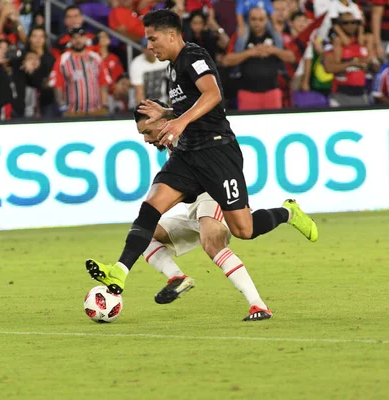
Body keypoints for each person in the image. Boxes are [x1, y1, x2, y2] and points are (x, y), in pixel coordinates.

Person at [84, 9, 318, 296]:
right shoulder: (172, 66)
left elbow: (213, 94)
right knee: (150, 208)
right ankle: (119, 272)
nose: (149, 46)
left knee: (244, 229)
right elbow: (193, 104)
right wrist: (169, 112)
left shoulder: (192, 57)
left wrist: (179, 121)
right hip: (188, 154)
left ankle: (287, 212)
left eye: (152, 38)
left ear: (172, 35)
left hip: (216, 150)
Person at [134, 99, 272, 321]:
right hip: (195, 204)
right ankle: (176, 277)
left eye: (147, 131)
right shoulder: (172, 142)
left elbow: (212, 108)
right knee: (144, 234)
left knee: (213, 242)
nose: (146, 139)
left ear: (162, 122)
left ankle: (258, 305)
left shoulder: (191, 129)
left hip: (214, 191)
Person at [222, 7, 296, 110]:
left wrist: (273, 50)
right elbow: (226, 61)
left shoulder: (276, 37)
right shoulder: (240, 37)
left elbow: (292, 57)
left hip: (272, 92)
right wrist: (250, 53)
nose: (257, 23)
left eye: (261, 19)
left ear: (266, 20)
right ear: (248, 20)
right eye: (254, 19)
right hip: (247, 93)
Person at [51, 26, 109, 117]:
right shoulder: (63, 60)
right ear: (70, 40)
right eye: (74, 38)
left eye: (80, 37)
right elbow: (57, 85)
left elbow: (103, 82)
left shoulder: (95, 58)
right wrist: (62, 107)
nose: (78, 40)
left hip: (96, 111)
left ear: (86, 38)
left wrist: (104, 105)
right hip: (73, 112)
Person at [323, 12, 373, 107]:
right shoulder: (333, 44)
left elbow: (374, 65)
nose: (350, 26)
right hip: (341, 94)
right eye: (346, 23)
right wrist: (351, 64)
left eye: (353, 22)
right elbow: (328, 68)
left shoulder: (363, 42)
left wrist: (371, 63)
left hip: (362, 93)